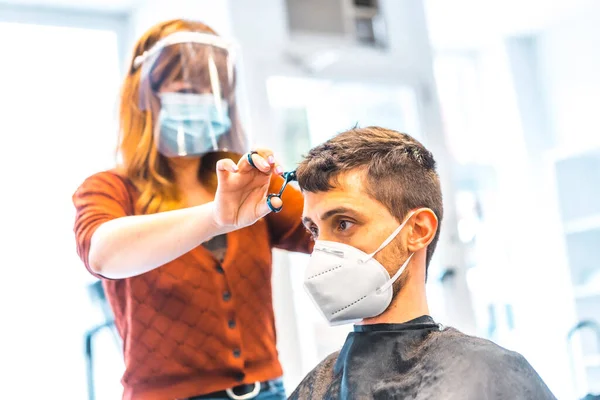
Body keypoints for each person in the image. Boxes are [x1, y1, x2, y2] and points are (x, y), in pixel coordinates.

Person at [72, 19, 312, 400]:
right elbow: (102, 254)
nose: (203, 102)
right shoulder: (110, 189)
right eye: (186, 90)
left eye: (213, 93)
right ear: (144, 97)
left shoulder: (246, 178)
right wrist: (216, 217)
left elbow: (328, 231)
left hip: (266, 391)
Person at [288, 126, 556, 399]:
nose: (323, 249)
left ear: (417, 230)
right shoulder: (318, 384)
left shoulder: (487, 373)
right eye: (314, 231)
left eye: (344, 223)